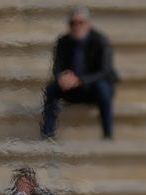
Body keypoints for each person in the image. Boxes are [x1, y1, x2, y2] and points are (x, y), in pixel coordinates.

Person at [40, 6, 119, 140]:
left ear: (88, 24)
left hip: (92, 87)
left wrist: (80, 80)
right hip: (71, 88)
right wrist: (61, 78)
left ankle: (108, 135)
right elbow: (56, 67)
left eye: (81, 22)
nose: (77, 26)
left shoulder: (100, 41)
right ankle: (47, 135)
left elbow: (105, 71)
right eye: (73, 23)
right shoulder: (63, 42)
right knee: (51, 89)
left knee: (103, 88)